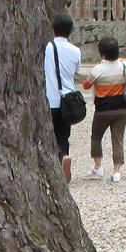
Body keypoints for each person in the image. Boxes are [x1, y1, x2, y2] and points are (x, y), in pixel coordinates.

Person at [81, 36, 126, 181]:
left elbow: (86, 85)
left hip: (102, 110)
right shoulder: (124, 66)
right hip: (121, 109)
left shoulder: (98, 69)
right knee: (118, 139)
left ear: (102, 54)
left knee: (96, 137)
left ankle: (98, 167)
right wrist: (123, 59)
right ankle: (116, 172)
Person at [44, 14, 81, 180]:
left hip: (50, 98)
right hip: (68, 100)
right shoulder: (76, 51)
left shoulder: (47, 48)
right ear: (70, 31)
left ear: (53, 30)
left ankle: (56, 160)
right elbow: (76, 71)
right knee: (64, 135)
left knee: (48, 135)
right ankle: (64, 156)